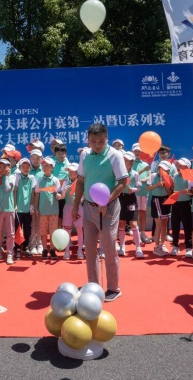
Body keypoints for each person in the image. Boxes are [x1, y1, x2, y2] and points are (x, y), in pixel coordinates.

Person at [72, 123, 129, 302]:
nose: (97, 145)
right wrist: (75, 205)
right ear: (88, 140)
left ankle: (113, 288)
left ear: (107, 139)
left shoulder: (115, 155)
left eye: (101, 141)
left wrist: (107, 200)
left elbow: (123, 182)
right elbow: (81, 181)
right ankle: (93, 286)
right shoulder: (85, 155)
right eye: (93, 141)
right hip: (88, 207)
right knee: (89, 249)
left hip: (108, 208)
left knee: (109, 248)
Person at [117, 151, 144, 258]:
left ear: (132, 162)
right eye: (123, 159)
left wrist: (132, 189)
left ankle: (138, 248)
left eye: (127, 160)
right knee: (122, 223)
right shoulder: (118, 173)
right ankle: (122, 247)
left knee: (133, 223)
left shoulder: (135, 174)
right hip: (120, 198)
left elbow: (139, 187)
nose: (124, 161)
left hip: (131, 199)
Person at [145, 160, 174, 257]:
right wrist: (157, 185)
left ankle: (162, 244)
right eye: (162, 169)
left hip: (166, 200)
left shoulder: (169, 177)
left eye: (166, 170)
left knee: (165, 224)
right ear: (159, 168)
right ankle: (156, 246)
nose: (163, 171)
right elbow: (147, 188)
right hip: (156, 200)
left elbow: (171, 191)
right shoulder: (153, 176)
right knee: (158, 224)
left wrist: (167, 185)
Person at [36, 157, 61, 260]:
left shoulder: (55, 180)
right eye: (43, 165)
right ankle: (45, 249)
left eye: (47, 165)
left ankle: (52, 249)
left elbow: (58, 193)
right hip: (42, 211)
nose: (45, 167)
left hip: (54, 211)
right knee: (43, 232)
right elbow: (37, 194)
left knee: (53, 232)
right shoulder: (40, 180)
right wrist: (36, 207)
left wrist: (58, 195)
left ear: (52, 167)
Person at [14, 158, 37, 259]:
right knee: (17, 229)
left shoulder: (32, 178)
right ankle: (17, 248)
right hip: (18, 209)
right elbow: (14, 191)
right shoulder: (17, 177)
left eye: (27, 167)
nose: (25, 168)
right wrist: (15, 205)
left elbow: (33, 192)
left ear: (30, 168)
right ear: (19, 168)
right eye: (23, 167)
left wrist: (32, 205)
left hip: (28, 209)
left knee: (28, 229)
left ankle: (26, 247)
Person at [170, 158, 193, 257]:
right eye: (178, 165)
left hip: (187, 204)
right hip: (175, 204)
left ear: (187, 167)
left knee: (187, 226)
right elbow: (172, 188)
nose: (178, 167)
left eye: (181, 165)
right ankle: (175, 246)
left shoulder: (191, 177)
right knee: (175, 226)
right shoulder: (175, 176)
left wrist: (188, 191)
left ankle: (189, 247)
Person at [61, 163, 84, 260]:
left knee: (79, 229)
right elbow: (62, 197)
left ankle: (79, 250)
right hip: (67, 208)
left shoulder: (81, 182)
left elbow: (84, 197)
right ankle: (67, 251)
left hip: (78, 208)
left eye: (72, 171)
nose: (70, 173)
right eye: (69, 171)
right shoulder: (66, 182)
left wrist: (79, 200)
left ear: (77, 172)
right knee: (67, 230)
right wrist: (64, 191)